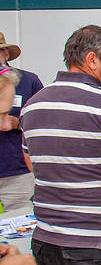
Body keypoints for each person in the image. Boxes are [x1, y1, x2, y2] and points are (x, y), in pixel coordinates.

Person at [20, 25, 101, 265]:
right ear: (92, 59)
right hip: (98, 242)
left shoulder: (32, 105)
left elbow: (33, 164)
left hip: (46, 241)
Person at [0, 32, 43, 211]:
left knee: (19, 228)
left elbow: (44, 123)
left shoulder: (28, 81)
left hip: (18, 172)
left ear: (5, 54)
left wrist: (16, 123)